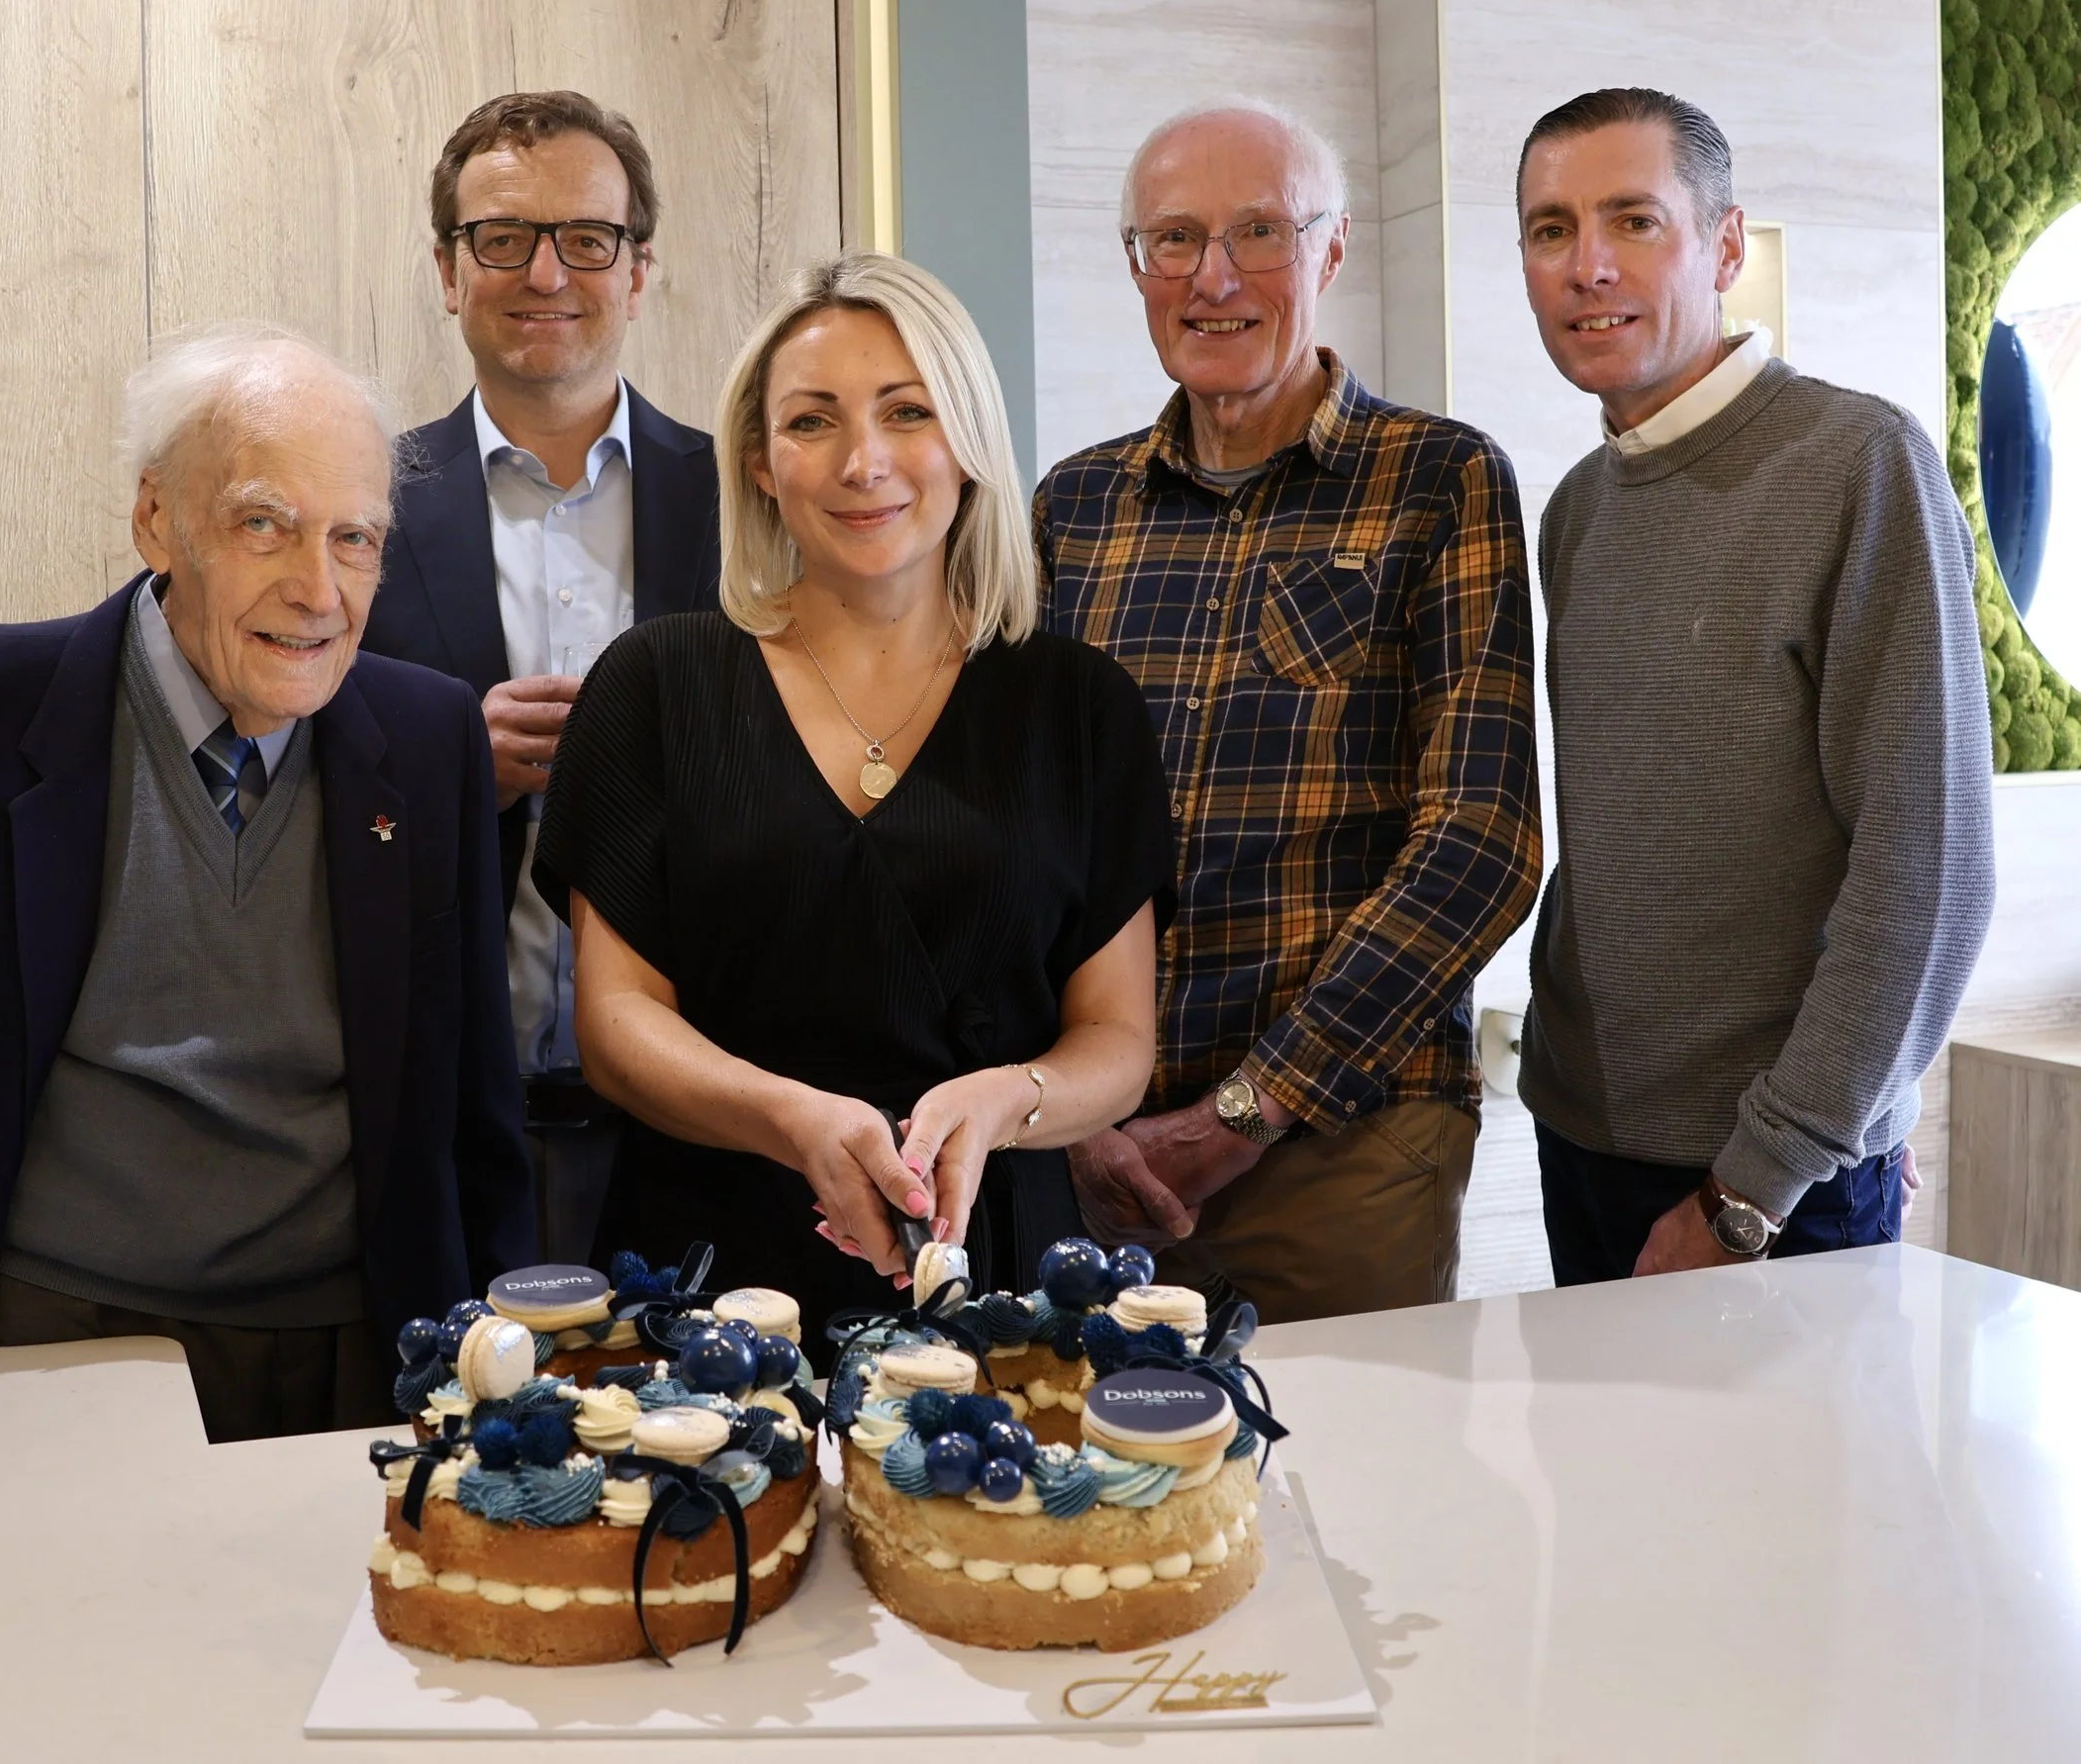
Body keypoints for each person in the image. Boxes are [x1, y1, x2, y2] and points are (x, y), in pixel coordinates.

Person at [0, 326, 532, 1440]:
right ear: (157, 517)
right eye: (265, 523)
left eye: (355, 538)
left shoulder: (431, 736)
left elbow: (476, 1125)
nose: (319, 589)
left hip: (358, 1368)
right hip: (46, 1354)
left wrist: (497, 1406)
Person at [531, 251, 1175, 1347]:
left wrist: (1009, 1095)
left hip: (995, 1259)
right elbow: (615, 1020)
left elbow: (1116, 1039)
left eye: (906, 411)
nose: (863, 460)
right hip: (711, 1264)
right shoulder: (653, 684)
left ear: (968, 443)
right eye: (813, 421)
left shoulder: (1079, 703)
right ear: (761, 463)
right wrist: (792, 1117)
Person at [1042, 101, 1542, 1324]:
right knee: (1111, 1501)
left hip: (1344, 1140)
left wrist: (1250, 1106)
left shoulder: (1442, 478)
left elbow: (1482, 843)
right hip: (1096, 1157)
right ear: (1135, 267)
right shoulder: (1072, 508)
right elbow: (1021, 836)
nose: (1213, 277)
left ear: (1330, 250)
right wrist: (1065, 1106)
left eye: (1258, 231)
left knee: (1357, 1497)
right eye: (1174, 239)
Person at [1512, 87, 1993, 1281]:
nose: (1588, 267)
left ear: (1725, 245)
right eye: (1550, 229)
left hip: (1761, 1186)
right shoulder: (1577, 506)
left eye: (1634, 221)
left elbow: (1929, 870)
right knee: (1607, 1477)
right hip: (1585, 1137)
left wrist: (1771, 1170)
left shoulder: (1857, 462)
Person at [363, 90, 720, 1266]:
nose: (545, 271)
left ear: (640, 265)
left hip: (701, 1101)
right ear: (448, 269)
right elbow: (291, 767)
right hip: (436, 1102)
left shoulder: (752, 504)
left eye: (587, 238)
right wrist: (444, 758)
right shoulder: (357, 507)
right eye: (502, 238)